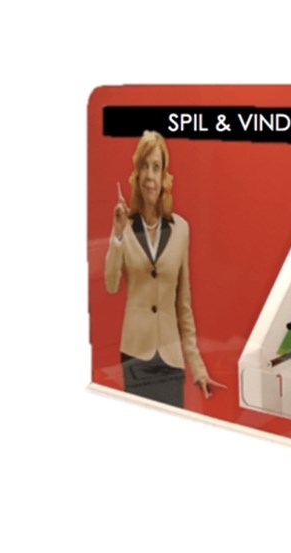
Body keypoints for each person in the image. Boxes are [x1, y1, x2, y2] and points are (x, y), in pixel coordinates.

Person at [105, 130, 225, 407]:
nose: (150, 176)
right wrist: (117, 235)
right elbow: (111, 285)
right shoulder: (126, 226)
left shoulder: (181, 229)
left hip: (171, 359)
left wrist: (198, 368)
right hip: (135, 355)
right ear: (137, 174)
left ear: (164, 176)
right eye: (145, 166)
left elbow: (184, 305)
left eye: (156, 167)